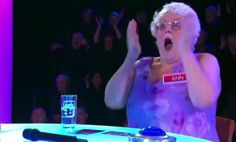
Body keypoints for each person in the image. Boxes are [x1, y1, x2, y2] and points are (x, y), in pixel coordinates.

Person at [105, 2, 221, 142]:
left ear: (192, 35)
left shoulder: (205, 61)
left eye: (176, 25)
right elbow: (112, 101)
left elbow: (203, 100)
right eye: (162, 25)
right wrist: (131, 56)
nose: (167, 30)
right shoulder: (142, 66)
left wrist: (185, 51)